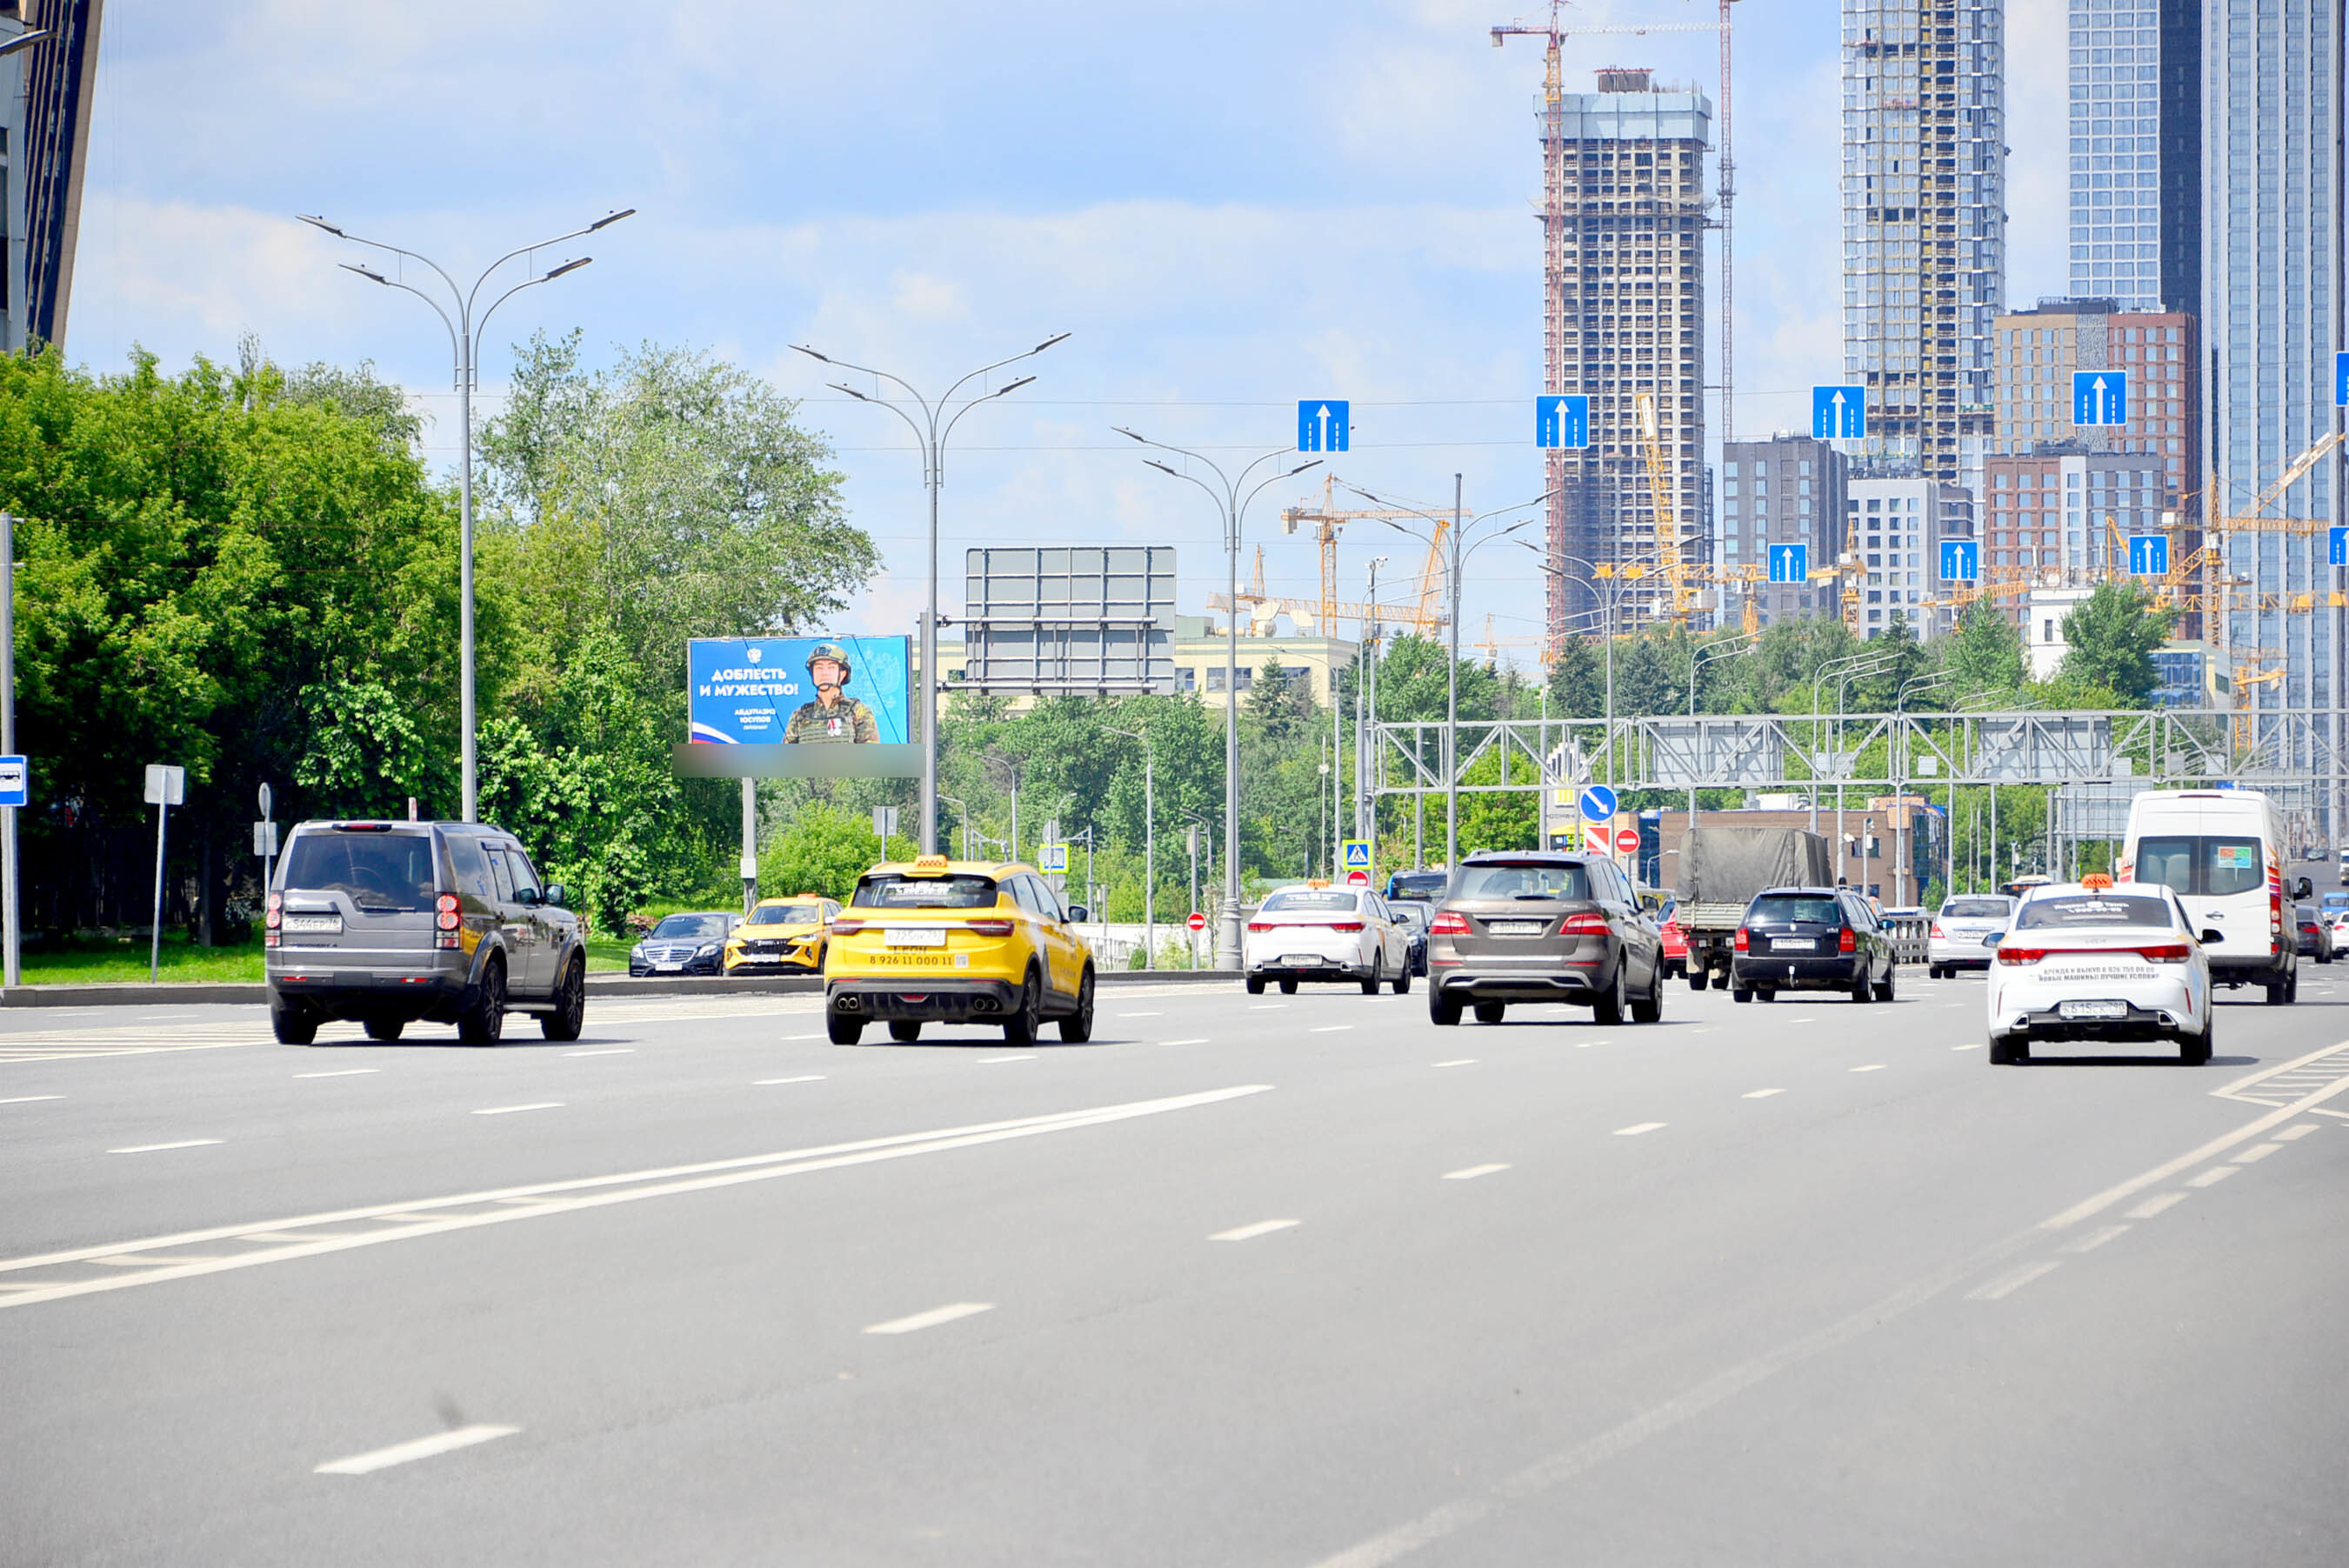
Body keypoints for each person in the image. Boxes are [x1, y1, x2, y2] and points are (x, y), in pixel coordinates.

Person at [782, 642, 879, 744]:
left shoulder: (858, 711)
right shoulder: (799, 716)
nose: (824, 672)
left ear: (842, 674)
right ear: (812, 673)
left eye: (831, 667)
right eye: (819, 667)